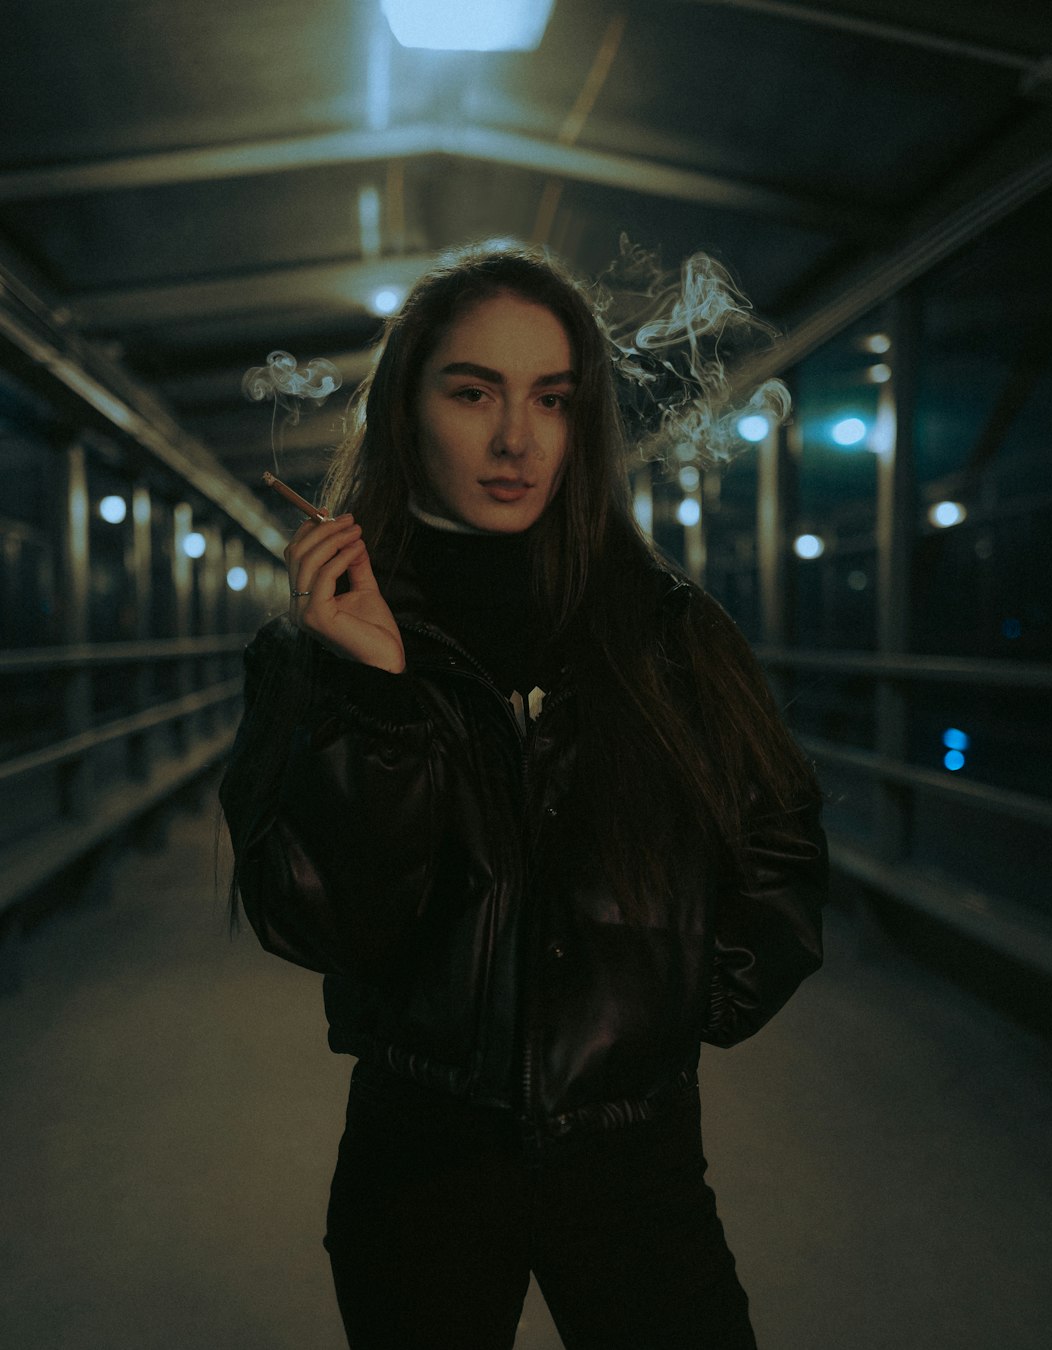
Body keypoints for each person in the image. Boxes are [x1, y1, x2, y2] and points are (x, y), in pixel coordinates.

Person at [219, 242, 828, 1350]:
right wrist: (380, 698)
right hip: (420, 1163)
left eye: (552, 399)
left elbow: (780, 847)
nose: (516, 439)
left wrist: (673, 1008)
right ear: (407, 411)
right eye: (472, 393)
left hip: (636, 1157)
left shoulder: (668, 633)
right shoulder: (314, 657)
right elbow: (318, 921)